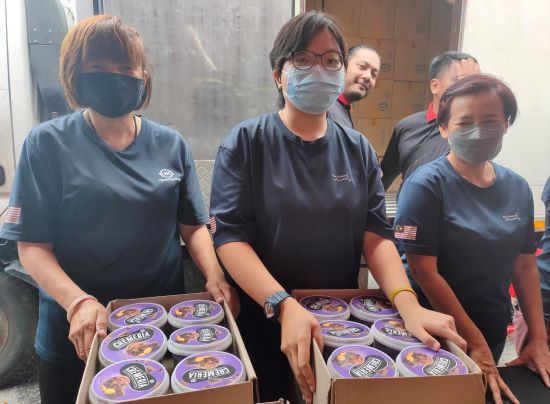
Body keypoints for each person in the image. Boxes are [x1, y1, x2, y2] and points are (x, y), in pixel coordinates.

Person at [209, 11, 465, 403]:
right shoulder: (246, 142)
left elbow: (376, 236)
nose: (319, 68)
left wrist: (408, 303)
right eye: (303, 59)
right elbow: (230, 238)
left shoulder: (357, 148)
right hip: (265, 318)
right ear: (278, 74)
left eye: (331, 60)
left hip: (341, 323)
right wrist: (282, 305)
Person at [0, 15, 237, 404]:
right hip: (78, 335)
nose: (114, 75)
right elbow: (32, 247)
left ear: (143, 75)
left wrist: (214, 275)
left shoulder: (171, 144)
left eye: (126, 67)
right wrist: (78, 302)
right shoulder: (47, 145)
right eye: (98, 66)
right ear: (76, 74)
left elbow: (193, 226)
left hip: (159, 328)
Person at [394, 74, 550, 404]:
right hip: (436, 333)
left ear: (506, 124)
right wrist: (474, 342)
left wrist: (538, 337)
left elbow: (524, 266)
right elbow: (424, 272)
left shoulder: (518, 188)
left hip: (492, 327)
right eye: (465, 122)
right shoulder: (426, 185)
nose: (478, 130)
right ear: (444, 129)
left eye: (490, 120)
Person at [381, 51, 480, 191]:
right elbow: (384, 177)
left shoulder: (480, 131)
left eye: (476, 84)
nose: (469, 89)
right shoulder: (407, 127)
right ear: (435, 86)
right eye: (459, 81)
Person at [326, 44, 381, 128]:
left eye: (373, 74)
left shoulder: (343, 109)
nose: (368, 76)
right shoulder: (323, 108)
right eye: (362, 67)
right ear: (343, 64)